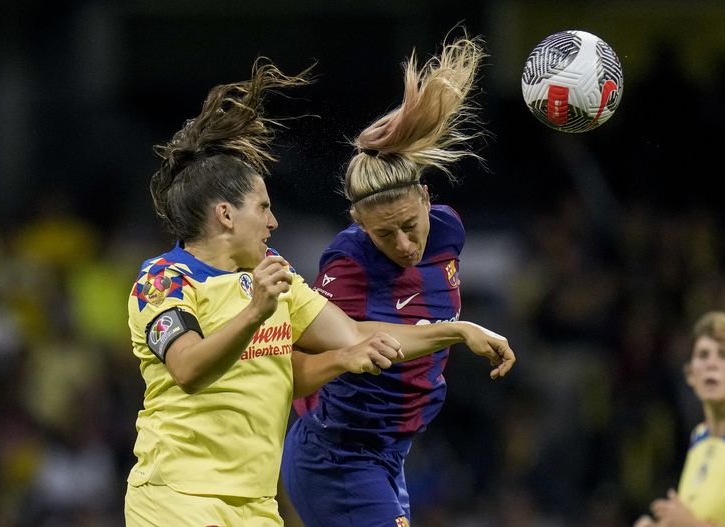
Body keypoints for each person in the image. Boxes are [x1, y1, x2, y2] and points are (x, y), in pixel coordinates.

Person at [124, 57, 515, 527]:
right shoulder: (164, 280)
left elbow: (354, 336)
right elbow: (186, 367)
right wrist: (255, 313)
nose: (273, 221)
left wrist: (457, 331)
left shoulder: (276, 276)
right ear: (227, 215)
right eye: (263, 208)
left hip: (254, 505)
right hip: (178, 498)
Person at [281, 33, 513, 527]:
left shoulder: (449, 229)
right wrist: (459, 330)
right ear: (360, 225)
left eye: (411, 226)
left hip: (391, 451)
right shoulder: (347, 262)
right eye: (386, 234)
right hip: (338, 454)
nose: (405, 244)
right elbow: (345, 338)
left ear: (427, 199)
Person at [634, 311, 725, 527]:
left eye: (724, 355)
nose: (711, 364)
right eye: (703, 355)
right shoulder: (700, 438)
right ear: (690, 375)